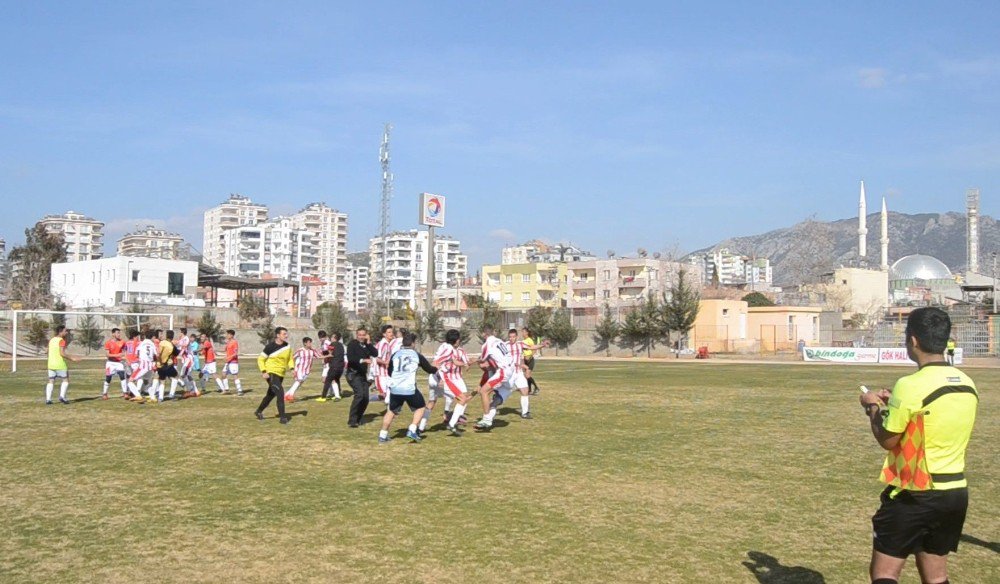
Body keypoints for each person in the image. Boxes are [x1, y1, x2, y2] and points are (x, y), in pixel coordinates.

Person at [859, 307, 979, 584]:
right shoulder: (967, 383)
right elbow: (932, 419)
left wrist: (873, 408)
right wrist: (895, 406)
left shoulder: (910, 385)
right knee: (936, 576)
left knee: (884, 573)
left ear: (913, 341)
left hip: (915, 491)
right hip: (954, 493)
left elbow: (888, 440)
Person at [378, 332, 437, 443]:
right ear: (413, 344)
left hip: (395, 388)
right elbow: (429, 369)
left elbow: (390, 371)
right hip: (409, 388)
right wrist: (436, 369)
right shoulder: (416, 355)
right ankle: (412, 429)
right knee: (420, 407)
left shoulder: (395, 354)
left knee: (391, 411)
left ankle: (382, 435)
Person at [422, 328, 470, 436]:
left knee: (431, 403)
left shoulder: (444, 346)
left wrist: (463, 364)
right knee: (462, 399)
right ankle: (452, 423)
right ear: (456, 340)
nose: (459, 341)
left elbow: (452, 360)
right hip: (440, 379)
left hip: (432, 378)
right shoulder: (449, 349)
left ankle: (420, 427)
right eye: (459, 339)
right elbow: (435, 362)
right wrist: (439, 377)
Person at [474, 323, 516, 430]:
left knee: (484, 391)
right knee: (492, 394)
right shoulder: (500, 341)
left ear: (484, 334)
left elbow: (482, 359)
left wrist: (472, 361)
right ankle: (488, 417)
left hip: (503, 371)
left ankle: (487, 420)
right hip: (510, 370)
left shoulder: (486, 344)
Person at [254, 327, 295, 424]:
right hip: (271, 373)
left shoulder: (287, 346)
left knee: (271, 394)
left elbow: (290, 359)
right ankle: (283, 418)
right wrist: (264, 371)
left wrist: (292, 369)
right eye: (284, 334)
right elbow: (260, 359)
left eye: (286, 333)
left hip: (281, 374)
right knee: (280, 393)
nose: (286, 335)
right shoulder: (270, 347)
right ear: (278, 335)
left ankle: (258, 411)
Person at [345, 326, 379, 428]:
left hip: (362, 375)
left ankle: (358, 418)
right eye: (359, 335)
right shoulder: (352, 345)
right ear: (356, 335)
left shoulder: (366, 345)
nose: (361, 337)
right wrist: (363, 360)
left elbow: (375, 353)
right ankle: (352, 420)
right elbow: (351, 359)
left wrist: (368, 343)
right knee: (359, 395)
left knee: (366, 398)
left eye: (363, 335)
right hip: (353, 374)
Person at [45, 325, 80, 404]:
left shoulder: (51, 340)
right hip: (59, 364)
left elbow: (46, 351)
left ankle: (48, 399)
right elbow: (62, 353)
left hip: (50, 364)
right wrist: (72, 358)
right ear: (60, 332)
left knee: (51, 381)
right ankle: (62, 397)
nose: (66, 333)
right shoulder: (61, 340)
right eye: (65, 331)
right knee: (65, 379)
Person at [285, 337, 320, 401]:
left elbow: (319, 356)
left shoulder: (312, 351)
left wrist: (328, 355)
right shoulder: (300, 350)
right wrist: (293, 367)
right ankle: (290, 395)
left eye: (310, 342)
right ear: (305, 343)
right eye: (309, 342)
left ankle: (286, 395)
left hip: (307, 371)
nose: (310, 344)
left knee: (299, 383)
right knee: (299, 381)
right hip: (299, 369)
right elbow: (292, 357)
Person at [127, 329, 158, 402]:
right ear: (152, 337)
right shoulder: (152, 344)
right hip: (150, 366)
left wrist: (140, 357)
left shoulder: (141, 343)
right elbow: (156, 355)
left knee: (130, 381)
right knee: (147, 382)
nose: (155, 339)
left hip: (143, 366)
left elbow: (136, 354)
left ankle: (138, 396)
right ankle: (153, 398)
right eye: (154, 337)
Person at [318, 332, 346, 402]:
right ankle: (337, 394)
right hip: (341, 366)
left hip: (334, 365)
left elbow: (330, 354)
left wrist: (322, 357)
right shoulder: (341, 345)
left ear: (334, 338)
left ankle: (323, 397)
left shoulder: (331, 344)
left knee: (327, 380)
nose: (330, 338)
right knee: (335, 380)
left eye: (332, 337)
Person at [102, 328, 128, 400]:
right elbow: (107, 355)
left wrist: (125, 356)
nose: (119, 334)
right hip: (110, 363)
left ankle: (125, 393)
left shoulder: (122, 342)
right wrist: (118, 355)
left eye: (119, 333)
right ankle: (104, 393)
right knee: (108, 378)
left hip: (119, 363)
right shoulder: (108, 343)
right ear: (113, 334)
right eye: (117, 333)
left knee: (122, 376)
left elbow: (125, 350)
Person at [373, 324, 394, 405]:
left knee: (389, 392)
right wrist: (386, 362)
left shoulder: (388, 344)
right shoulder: (382, 344)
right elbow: (376, 359)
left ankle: (390, 410)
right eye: (389, 332)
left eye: (392, 332)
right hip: (380, 373)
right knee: (384, 394)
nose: (391, 334)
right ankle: (368, 399)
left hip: (387, 372)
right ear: (384, 334)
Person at [218, 329, 242, 395]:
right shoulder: (228, 342)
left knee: (235, 375)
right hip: (228, 362)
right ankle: (227, 389)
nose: (227, 335)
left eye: (228, 334)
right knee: (223, 374)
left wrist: (228, 357)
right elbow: (224, 350)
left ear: (231, 335)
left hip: (233, 362)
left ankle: (240, 390)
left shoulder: (234, 342)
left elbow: (236, 353)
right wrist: (215, 350)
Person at [521, 327, 544, 395]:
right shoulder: (523, 341)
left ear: (527, 333)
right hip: (525, 360)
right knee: (527, 376)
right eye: (522, 332)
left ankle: (536, 388)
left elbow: (534, 349)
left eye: (523, 332)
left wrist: (530, 356)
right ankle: (529, 390)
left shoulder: (529, 340)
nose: (522, 333)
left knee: (527, 376)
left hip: (530, 360)